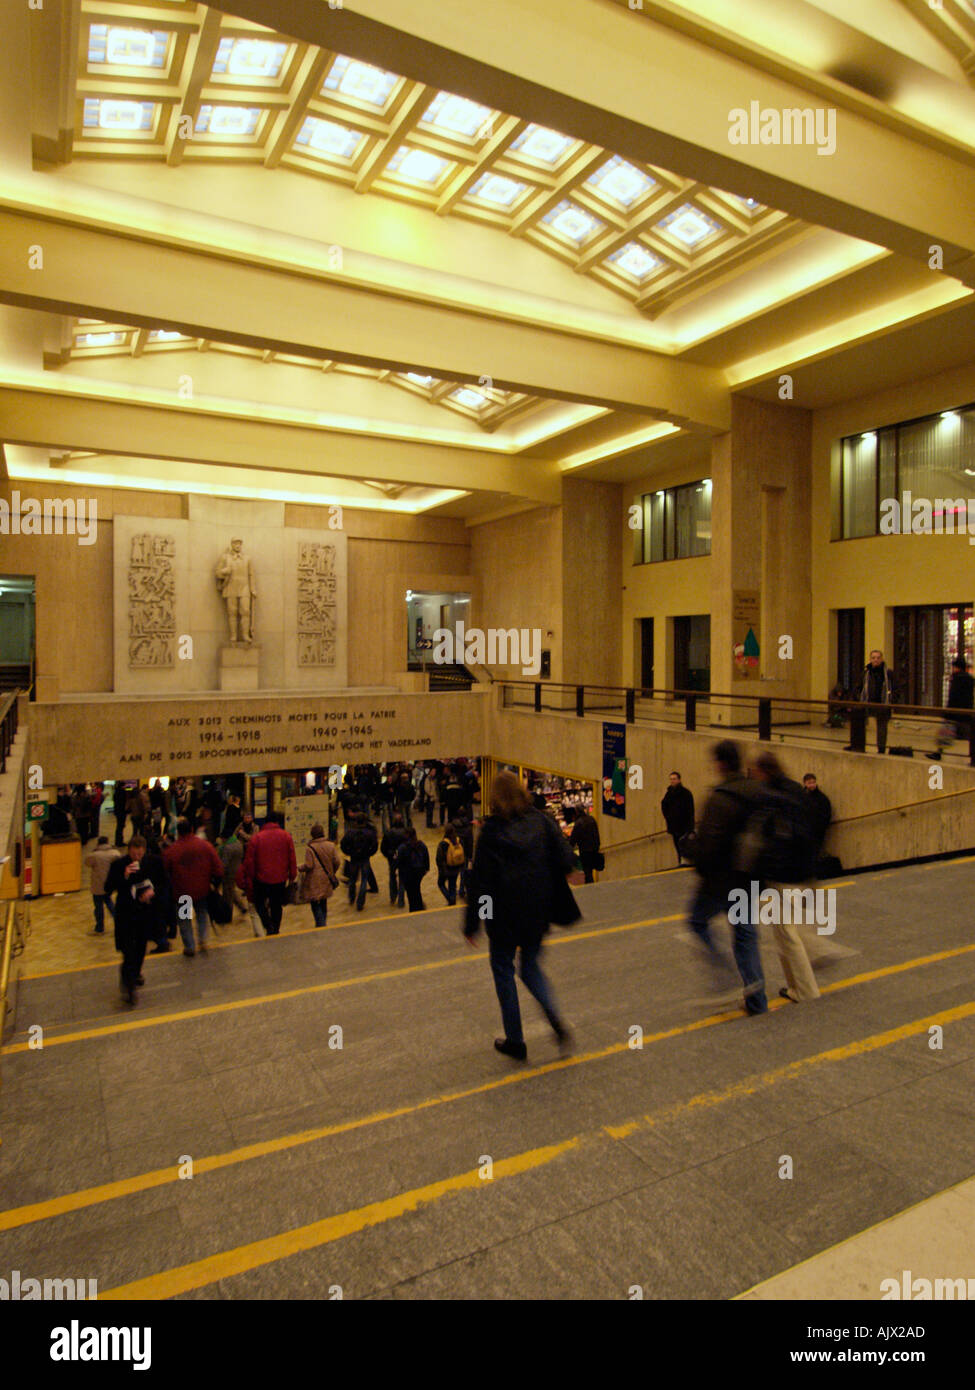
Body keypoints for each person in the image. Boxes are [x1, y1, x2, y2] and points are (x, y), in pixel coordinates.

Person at [463, 771, 575, 1060]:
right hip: (536, 912)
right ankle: (557, 1023)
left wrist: (474, 923)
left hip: (501, 917)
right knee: (531, 968)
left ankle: (516, 1041)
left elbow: (481, 884)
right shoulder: (540, 820)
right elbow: (565, 858)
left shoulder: (490, 832)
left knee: (503, 970)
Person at [685, 740, 768, 1015]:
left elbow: (709, 847)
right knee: (745, 934)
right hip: (750, 878)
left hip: (720, 881)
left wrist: (692, 853)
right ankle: (757, 1000)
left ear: (720, 764)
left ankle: (727, 981)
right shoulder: (758, 792)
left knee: (697, 921)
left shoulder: (719, 799)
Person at [104, 835, 165, 1003]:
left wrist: (153, 892)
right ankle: (129, 984)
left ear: (144, 851)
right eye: (134, 854)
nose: (137, 857)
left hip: (145, 914)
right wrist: (123, 876)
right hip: (126, 914)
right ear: (129, 851)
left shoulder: (153, 862)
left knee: (140, 948)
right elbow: (107, 888)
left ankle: (135, 973)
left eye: (140, 854)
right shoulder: (118, 865)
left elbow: (164, 883)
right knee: (128, 950)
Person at [164, 818, 223, 956]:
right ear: (191, 829)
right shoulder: (205, 846)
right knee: (202, 914)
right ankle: (203, 940)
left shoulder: (172, 850)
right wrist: (214, 883)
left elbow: (165, 871)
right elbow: (218, 868)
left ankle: (189, 945)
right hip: (202, 890)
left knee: (185, 919)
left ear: (178, 832)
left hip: (182, 892)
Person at [241, 812, 298, 936]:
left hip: (261, 878)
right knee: (276, 905)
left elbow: (250, 862)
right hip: (280, 878)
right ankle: (276, 929)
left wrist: (250, 878)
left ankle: (268, 925)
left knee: (259, 903)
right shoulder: (286, 836)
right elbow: (292, 858)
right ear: (277, 822)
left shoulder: (257, 838)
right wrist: (292, 875)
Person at [850, 650, 894, 753]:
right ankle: (858, 746)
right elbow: (858, 687)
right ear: (870, 659)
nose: (876, 660)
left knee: (882, 729)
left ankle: (881, 749)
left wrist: (892, 699)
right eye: (873, 658)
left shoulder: (888, 673)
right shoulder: (866, 673)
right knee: (859, 721)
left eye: (878, 657)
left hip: (883, 704)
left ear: (882, 659)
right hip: (867, 703)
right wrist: (859, 698)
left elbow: (895, 688)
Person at [215, 537, 256, 645]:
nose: (238, 545)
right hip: (231, 587)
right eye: (235, 543)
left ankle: (245, 635)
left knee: (245, 611)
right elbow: (218, 573)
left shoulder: (247, 558)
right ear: (232, 544)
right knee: (232, 612)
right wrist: (225, 571)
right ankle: (233, 636)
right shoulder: (225, 558)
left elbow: (251, 574)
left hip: (244, 588)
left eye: (239, 543)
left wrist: (253, 588)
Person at [301, 823, 339, 927]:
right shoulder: (331, 845)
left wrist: (300, 868)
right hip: (326, 878)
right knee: (323, 901)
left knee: (314, 902)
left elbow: (309, 865)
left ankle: (320, 924)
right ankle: (323, 921)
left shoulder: (310, 848)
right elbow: (337, 861)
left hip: (314, 879)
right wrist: (332, 872)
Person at [340, 812, 379, 911]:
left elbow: (343, 844)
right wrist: (370, 853)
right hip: (365, 858)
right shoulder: (369, 833)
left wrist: (349, 852)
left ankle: (351, 897)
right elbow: (375, 845)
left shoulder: (350, 833)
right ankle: (360, 902)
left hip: (354, 858)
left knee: (352, 879)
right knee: (364, 880)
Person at [85, 836, 120, 935]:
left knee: (98, 907)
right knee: (110, 904)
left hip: (97, 885)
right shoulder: (115, 853)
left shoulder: (94, 855)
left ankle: (99, 928)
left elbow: (87, 862)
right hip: (110, 883)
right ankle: (119, 924)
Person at [661, 771, 695, 865]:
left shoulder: (686, 793)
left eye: (674, 779)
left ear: (679, 780)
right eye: (671, 779)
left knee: (684, 842)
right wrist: (668, 817)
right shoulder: (668, 794)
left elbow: (690, 810)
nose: (672, 781)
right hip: (673, 824)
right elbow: (664, 805)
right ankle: (681, 860)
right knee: (676, 843)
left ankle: (685, 860)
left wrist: (691, 826)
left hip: (684, 823)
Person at [395, 826, 429, 912]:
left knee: (411, 894)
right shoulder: (421, 844)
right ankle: (419, 907)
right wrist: (426, 869)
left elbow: (398, 862)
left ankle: (414, 909)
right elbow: (426, 857)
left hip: (408, 873)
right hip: (419, 872)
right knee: (417, 890)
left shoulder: (403, 847)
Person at [218, 829, 249, 921]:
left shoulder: (227, 848)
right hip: (237, 870)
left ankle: (228, 916)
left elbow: (224, 863)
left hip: (228, 873)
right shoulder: (238, 844)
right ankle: (242, 907)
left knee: (227, 895)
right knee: (231, 891)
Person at [381, 813, 409, 906]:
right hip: (403, 858)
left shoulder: (389, 832)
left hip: (392, 857)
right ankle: (401, 900)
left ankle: (393, 897)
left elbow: (383, 847)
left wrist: (388, 855)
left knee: (392, 876)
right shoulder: (406, 832)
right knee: (402, 878)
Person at [568, 803, 601, 882]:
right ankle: (591, 884)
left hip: (585, 849)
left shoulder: (579, 822)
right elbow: (596, 833)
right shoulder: (592, 819)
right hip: (594, 847)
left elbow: (573, 838)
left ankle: (590, 886)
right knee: (592, 868)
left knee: (587, 870)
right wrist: (597, 845)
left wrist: (569, 847)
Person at [802, 773, 832, 853]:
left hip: (816, 831)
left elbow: (826, 814)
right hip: (804, 830)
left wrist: (820, 828)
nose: (812, 785)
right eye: (809, 783)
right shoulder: (801, 796)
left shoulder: (822, 798)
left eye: (813, 782)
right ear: (805, 783)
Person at [436, 823, 465, 905]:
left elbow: (439, 858)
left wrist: (440, 869)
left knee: (440, 883)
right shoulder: (458, 840)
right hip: (456, 867)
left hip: (446, 868)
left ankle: (451, 900)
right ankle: (452, 900)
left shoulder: (443, 843)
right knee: (452, 885)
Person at [947, 656, 974, 740]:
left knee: (948, 736)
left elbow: (953, 695)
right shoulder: (970, 679)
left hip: (955, 711)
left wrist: (948, 711)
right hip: (966, 711)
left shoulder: (956, 679)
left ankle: (940, 752)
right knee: (965, 736)